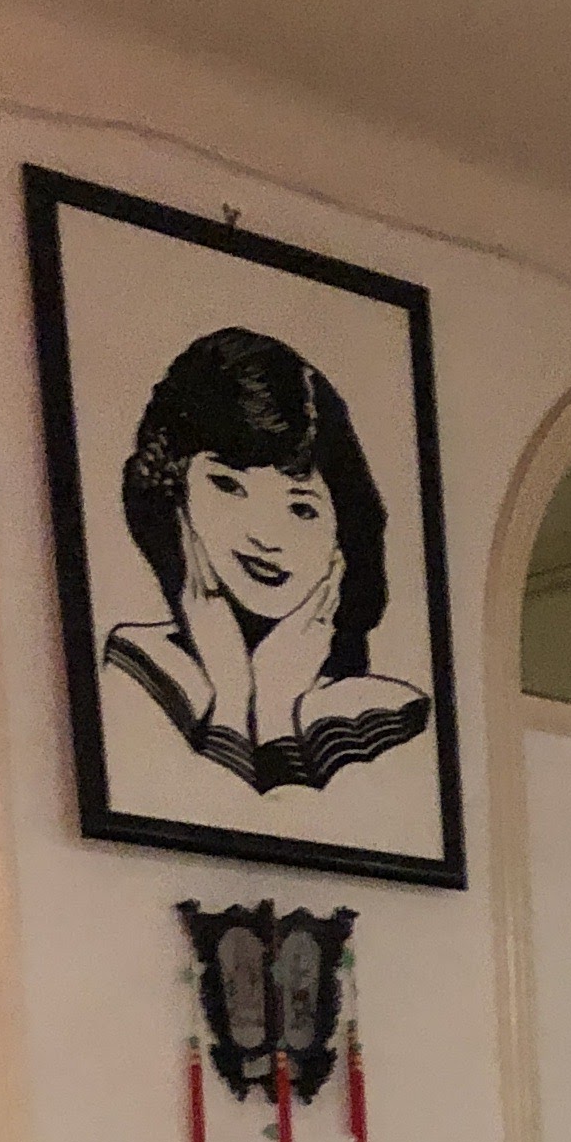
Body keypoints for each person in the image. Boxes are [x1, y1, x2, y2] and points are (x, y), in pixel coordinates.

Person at [104, 328, 430, 795]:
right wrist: (234, 695)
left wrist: (275, 705)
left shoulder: (389, 710)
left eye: (301, 509)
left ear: (342, 534)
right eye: (228, 486)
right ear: (176, 491)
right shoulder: (136, 665)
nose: (264, 536)